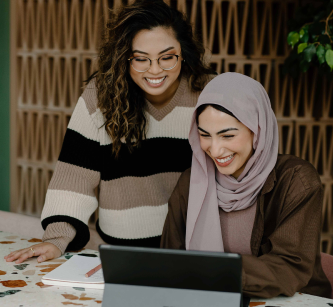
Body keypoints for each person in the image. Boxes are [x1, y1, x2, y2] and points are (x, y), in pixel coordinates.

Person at [5, 0, 214, 264]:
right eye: (140, 59)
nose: (155, 70)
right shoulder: (100, 96)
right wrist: (57, 240)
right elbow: (74, 177)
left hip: (194, 252)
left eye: (167, 57)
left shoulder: (209, 92)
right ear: (124, 57)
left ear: (183, 53)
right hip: (119, 255)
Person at [161, 72, 332, 298]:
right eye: (205, 135)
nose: (215, 149)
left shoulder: (296, 181)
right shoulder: (191, 182)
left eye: (227, 136)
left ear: (257, 129)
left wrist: (213, 271)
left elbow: (289, 267)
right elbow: (169, 259)